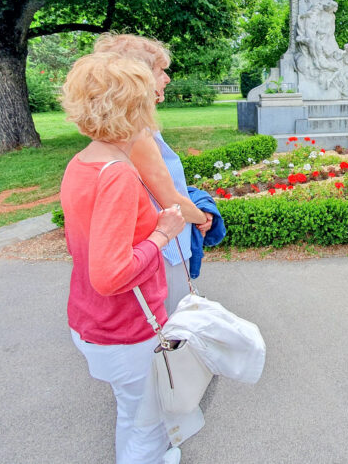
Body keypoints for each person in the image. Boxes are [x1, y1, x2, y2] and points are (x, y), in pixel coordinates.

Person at [60, 52, 185, 463]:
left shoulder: (82, 163)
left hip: (90, 320)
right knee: (145, 426)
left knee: (132, 415)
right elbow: (110, 275)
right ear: (133, 107)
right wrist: (162, 235)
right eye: (149, 94)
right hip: (125, 327)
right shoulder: (118, 173)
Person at [93, 33, 214, 313]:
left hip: (163, 244)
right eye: (161, 71)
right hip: (164, 250)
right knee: (171, 325)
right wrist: (204, 217)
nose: (167, 79)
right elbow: (169, 198)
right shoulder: (134, 134)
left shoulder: (131, 127)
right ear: (140, 78)